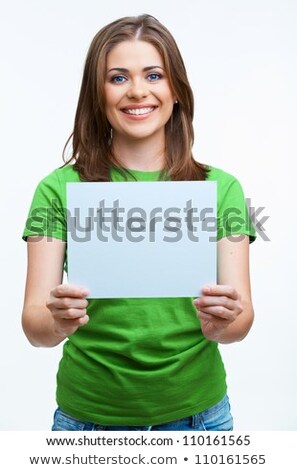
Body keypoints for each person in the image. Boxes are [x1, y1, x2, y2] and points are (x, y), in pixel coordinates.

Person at [22, 14, 256, 431]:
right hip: (88, 422)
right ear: (98, 93)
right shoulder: (57, 190)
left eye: (153, 74)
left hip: (198, 418)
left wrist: (224, 322)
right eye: (117, 78)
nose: (136, 91)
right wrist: (57, 320)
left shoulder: (221, 189)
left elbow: (240, 322)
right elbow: (36, 327)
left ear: (176, 89)